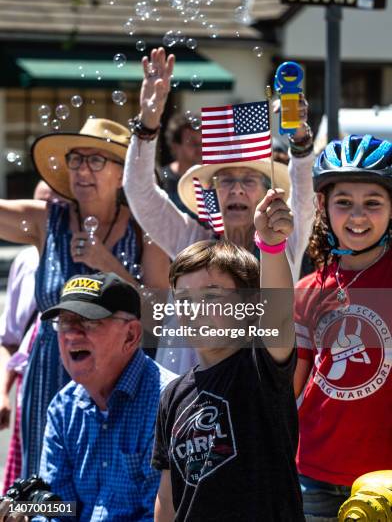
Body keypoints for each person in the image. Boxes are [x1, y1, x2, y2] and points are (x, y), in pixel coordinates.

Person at [124, 48, 315, 372]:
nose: (237, 188)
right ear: (211, 191)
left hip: (257, 400)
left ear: (266, 193)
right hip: (189, 397)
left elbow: (304, 200)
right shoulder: (193, 241)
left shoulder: (283, 243)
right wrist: (148, 120)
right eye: (226, 180)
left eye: (248, 180)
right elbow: (139, 191)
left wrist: (298, 139)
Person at [0, 117, 170, 477]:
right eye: (75, 159)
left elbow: (158, 319)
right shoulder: (49, 221)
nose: (81, 170)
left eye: (95, 160)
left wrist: (106, 262)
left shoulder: (145, 233)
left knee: (112, 489)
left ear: (122, 172)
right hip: (49, 374)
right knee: (45, 491)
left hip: (118, 385)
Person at [152, 188, 304, 521]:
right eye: (185, 300)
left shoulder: (261, 367)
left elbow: (278, 315)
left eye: (211, 296)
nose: (196, 310)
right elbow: (167, 493)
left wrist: (272, 245)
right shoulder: (172, 396)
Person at [294, 134, 392, 520]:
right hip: (313, 477)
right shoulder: (305, 290)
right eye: (344, 203)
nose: (357, 216)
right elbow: (288, 390)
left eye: (373, 203)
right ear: (322, 205)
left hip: (385, 480)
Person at [31, 272, 175, 521]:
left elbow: (159, 517)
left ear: (130, 335)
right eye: (65, 322)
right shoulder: (63, 408)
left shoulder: (169, 402)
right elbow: (59, 508)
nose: (72, 334)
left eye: (88, 321)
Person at [0, 181, 55, 492]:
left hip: (83, 386)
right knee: (30, 490)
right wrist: (1, 392)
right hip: (35, 385)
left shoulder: (89, 246)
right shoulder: (25, 261)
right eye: (40, 202)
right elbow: (9, 337)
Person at [160, 111, 202, 215]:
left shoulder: (212, 179)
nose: (200, 148)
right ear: (175, 146)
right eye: (193, 143)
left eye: (203, 143)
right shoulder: (160, 180)